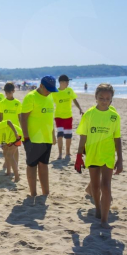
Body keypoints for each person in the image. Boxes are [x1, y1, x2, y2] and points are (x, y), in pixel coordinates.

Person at [75, 84, 123, 229]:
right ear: (95, 97)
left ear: (111, 100)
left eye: (107, 98)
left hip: (107, 154)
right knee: (95, 185)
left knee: (106, 186)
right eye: (101, 97)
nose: (104, 100)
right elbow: (83, 136)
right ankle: (97, 208)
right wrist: (78, 155)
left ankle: (104, 219)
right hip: (92, 153)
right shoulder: (89, 115)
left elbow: (117, 138)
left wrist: (120, 159)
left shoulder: (114, 116)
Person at [21, 75, 58, 197]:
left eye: (51, 90)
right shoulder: (31, 97)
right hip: (33, 138)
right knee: (32, 165)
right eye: (47, 89)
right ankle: (33, 193)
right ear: (41, 85)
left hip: (46, 137)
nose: (49, 92)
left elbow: (49, 118)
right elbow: (23, 118)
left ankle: (45, 193)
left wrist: (53, 135)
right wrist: (26, 138)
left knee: (44, 165)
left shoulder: (50, 96)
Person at [52, 75, 84, 160]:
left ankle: (67, 152)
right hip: (58, 116)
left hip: (68, 116)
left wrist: (80, 108)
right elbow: (50, 103)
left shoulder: (70, 91)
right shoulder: (55, 92)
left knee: (68, 135)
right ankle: (59, 154)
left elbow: (74, 100)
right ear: (61, 82)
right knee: (60, 135)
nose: (68, 83)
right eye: (67, 82)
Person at [0, 82, 22, 171]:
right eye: (6, 93)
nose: (8, 95)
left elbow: (20, 117)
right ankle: (7, 163)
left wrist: (22, 129)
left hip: (15, 130)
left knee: (15, 148)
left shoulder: (17, 103)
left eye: (10, 93)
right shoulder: (2, 103)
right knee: (5, 148)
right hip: (5, 129)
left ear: (13, 91)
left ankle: (16, 164)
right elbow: (0, 117)